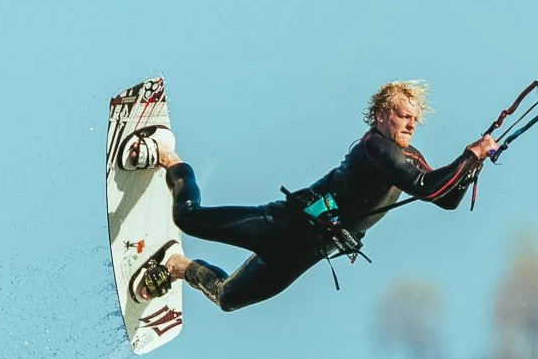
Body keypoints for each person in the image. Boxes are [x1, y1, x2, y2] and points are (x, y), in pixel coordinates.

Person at [121, 80, 495, 311]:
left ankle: (176, 266)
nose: (412, 123)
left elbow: (444, 197)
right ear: (382, 115)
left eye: (416, 119)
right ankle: (171, 159)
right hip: (282, 224)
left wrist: (470, 168)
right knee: (187, 218)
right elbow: (433, 187)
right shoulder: (375, 148)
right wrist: (470, 155)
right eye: (403, 115)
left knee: (227, 299)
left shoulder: (409, 159)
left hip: (305, 253)